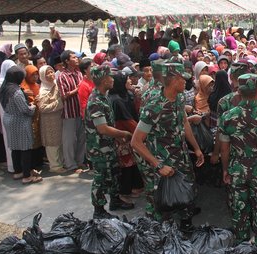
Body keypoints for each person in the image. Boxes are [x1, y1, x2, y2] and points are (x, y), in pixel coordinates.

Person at [131, 63, 205, 227]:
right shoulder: (154, 107)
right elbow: (136, 142)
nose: (186, 82)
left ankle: (185, 225)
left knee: (186, 192)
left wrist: (196, 148)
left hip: (181, 157)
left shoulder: (179, 99)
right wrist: (158, 166)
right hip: (162, 161)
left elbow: (184, 122)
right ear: (172, 80)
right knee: (161, 205)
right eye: (183, 79)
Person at [218, 73, 257, 250]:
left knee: (239, 208)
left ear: (239, 91)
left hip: (237, 168)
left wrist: (225, 170)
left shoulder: (228, 117)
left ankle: (241, 247)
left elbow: (224, 148)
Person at [85, 65, 134, 219]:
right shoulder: (95, 101)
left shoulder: (103, 96)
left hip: (108, 145)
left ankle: (115, 200)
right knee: (101, 178)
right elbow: (103, 129)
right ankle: (98, 209)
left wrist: (117, 137)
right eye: (110, 77)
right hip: (99, 148)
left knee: (113, 174)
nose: (113, 80)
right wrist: (123, 133)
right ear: (105, 80)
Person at [0, 66, 41, 184]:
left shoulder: (5, 88)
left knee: (15, 147)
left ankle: (18, 172)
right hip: (20, 121)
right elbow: (25, 110)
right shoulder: (16, 92)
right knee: (25, 148)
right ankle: (27, 176)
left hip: (9, 119)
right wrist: (33, 106)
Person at [109, 72, 144, 203]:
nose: (129, 81)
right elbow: (127, 121)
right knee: (126, 166)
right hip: (123, 137)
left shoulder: (125, 95)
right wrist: (141, 133)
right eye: (126, 79)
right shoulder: (117, 100)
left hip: (128, 135)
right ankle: (124, 192)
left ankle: (133, 188)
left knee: (131, 164)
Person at [57, 50, 86, 172]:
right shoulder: (62, 76)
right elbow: (64, 95)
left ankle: (80, 161)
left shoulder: (79, 73)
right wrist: (77, 89)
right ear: (67, 61)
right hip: (69, 112)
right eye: (73, 57)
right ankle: (70, 164)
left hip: (80, 111)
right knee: (69, 140)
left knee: (81, 137)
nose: (76, 59)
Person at [37, 65, 65, 173]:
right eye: (47, 73)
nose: (50, 75)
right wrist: (59, 103)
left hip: (58, 118)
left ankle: (60, 163)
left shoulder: (56, 85)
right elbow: (43, 108)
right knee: (52, 143)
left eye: (52, 72)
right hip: (49, 121)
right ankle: (54, 166)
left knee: (60, 141)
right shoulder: (44, 91)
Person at [20, 65, 43, 171]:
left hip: (38, 116)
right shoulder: (23, 87)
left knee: (38, 139)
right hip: (29, 118)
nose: (35, 77)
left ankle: (39, 162)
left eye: (36, 74)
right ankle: (32, 164)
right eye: (32, 75)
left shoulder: (36, 86)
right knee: (31, 140)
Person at [0, 60, 16, 173]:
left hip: (13, 113)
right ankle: (12, 166)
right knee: (9, 140)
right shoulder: (1, 83)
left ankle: (17, 164)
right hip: (6, 112)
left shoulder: (9, 82)